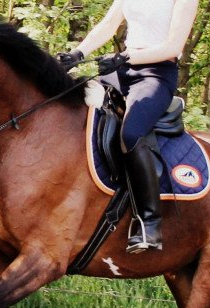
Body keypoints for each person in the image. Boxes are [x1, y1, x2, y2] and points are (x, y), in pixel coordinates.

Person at [57, 0, 199, 254]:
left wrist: (124, 56)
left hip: (156, 74)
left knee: (132, 133)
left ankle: (149, 222)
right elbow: (109, 24)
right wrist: (78, 54)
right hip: (122, 70)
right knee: (69, 106)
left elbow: (172, 47)